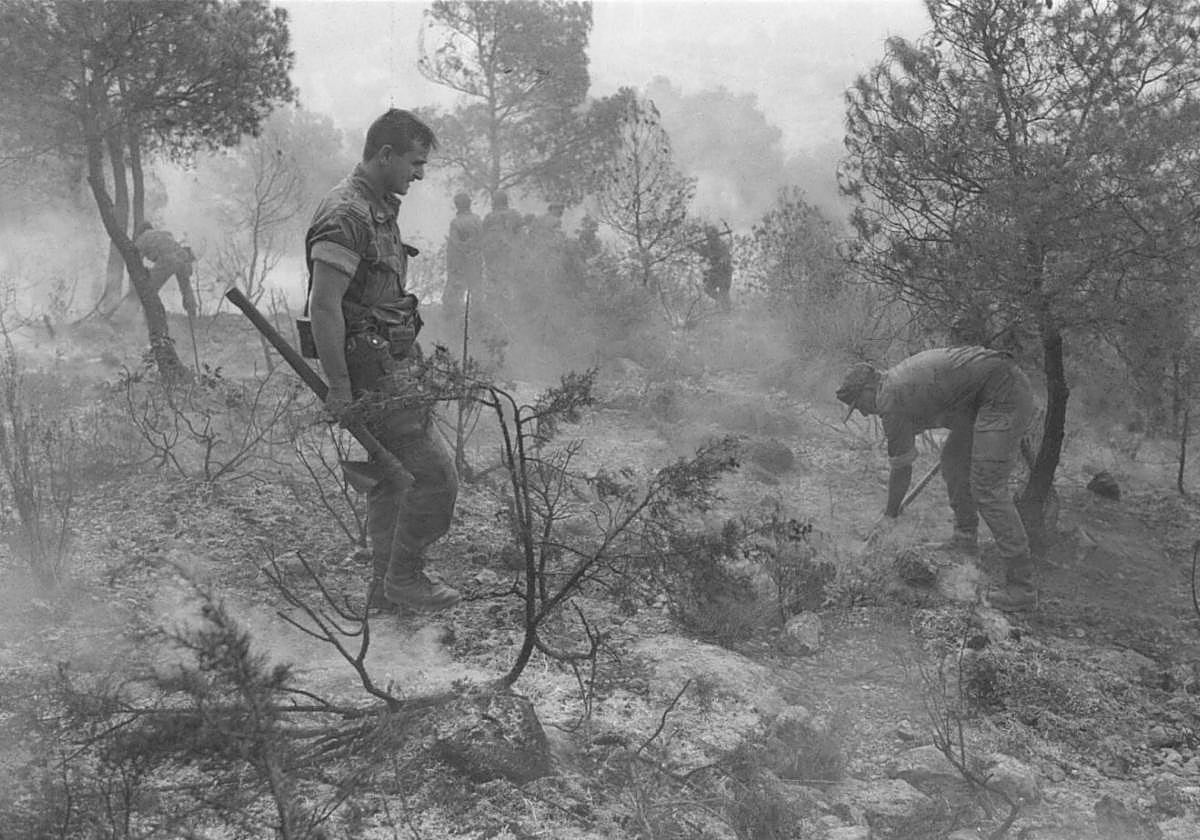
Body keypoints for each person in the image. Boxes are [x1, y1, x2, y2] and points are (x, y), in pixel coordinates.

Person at [305, 108, 460, 612]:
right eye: (415, 163)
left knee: (394, 477)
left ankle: (385, 590)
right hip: (371, 374)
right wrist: (340, 387)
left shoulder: (375, 206)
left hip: (389, 366)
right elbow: (324, 305)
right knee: (434, 476)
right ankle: (404, 578)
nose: (419, 174)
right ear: (386, 154)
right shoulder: (347, 214)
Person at [835, 346, 1037, 612]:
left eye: (858, 405)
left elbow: (902, 467)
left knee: (987, 488)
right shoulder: (895, 383)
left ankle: (1022, 588)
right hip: (985, 397)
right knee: (953, 460)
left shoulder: (889, 397)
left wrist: (890, 515)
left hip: (1004, 396)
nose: (861, 413)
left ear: (869, 389)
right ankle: (965, 539)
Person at [132, 221, 198, 317]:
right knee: (185, 287)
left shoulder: (142, 238)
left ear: (140, 232)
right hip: (183, 257)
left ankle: (146, 316)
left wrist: (142, 274)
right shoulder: (165, 234)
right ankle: (192, 313)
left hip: (167, 260)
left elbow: (135, 261)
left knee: (150, 289)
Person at [443, 192, 484, 333]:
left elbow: (456, 243)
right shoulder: (477, 219)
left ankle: (454, 327)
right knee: (477, 292)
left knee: (454, 296)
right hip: (475, 262)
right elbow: (481, 240)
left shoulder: (456, 222)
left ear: (457, 205)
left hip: (460, 264)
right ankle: (478, 323)